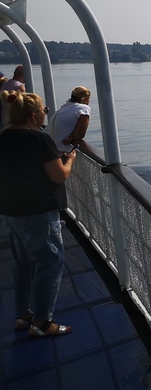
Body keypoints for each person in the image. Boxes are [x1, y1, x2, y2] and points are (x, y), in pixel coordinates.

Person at [0, 90, 77, 337]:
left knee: (22, 264)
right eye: (43, 111)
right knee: (49, 263)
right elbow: (59, 176)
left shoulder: (3, 137)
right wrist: (70, 160)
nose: (45, 114)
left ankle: (23, 315)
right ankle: (43, 322)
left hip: (12, 210)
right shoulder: (40, 140)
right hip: (38, 212)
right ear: (34, 116)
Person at [51, 86, 92, 153]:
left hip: (50, 146)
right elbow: (79, 135)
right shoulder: (84, 108)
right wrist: (73, 136)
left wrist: (72, 136)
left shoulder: (64, 107)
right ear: (86, 99)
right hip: (61, 150)